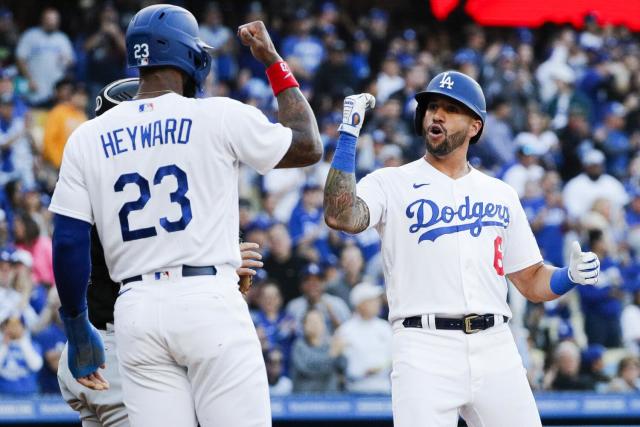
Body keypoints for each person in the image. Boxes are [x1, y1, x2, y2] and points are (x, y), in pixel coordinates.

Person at [49, 5, 321, 427]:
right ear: (188, 56)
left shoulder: (87, 136)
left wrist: (75, 323)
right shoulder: (217, 114)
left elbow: (66, 242)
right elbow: (308, 144)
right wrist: (272, 61)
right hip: (206, 296)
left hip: (134, 311)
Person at [323, 71, 600, 427]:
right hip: (423, 345)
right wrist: (347, 136)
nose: (437, 115)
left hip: (496, 344)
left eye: (451, 109)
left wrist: (568, 276)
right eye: (432, 106)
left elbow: (531, 281)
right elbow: (340, 214)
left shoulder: (500, 193)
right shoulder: (391, 181)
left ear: (474, 126)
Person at [54, 77, 268, 427]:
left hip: (90, 347)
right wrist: (218, 259)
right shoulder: (125, 182)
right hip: (117, 354)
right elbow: (149, 262)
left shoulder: (93, 169)